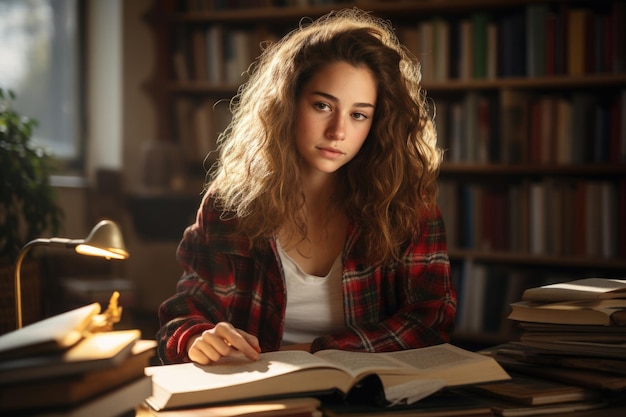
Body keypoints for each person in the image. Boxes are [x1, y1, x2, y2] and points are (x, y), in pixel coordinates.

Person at [156, 7, 456, 365]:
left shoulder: (406, 204)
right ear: (287, 105)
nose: (338, 131)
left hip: (367, 397)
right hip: (257, 394)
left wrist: (316, 351)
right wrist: (195, 338)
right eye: (322, 106)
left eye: (358, 114)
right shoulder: (230, 205)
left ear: (378, 122)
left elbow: (431, 319)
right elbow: (184, 310)